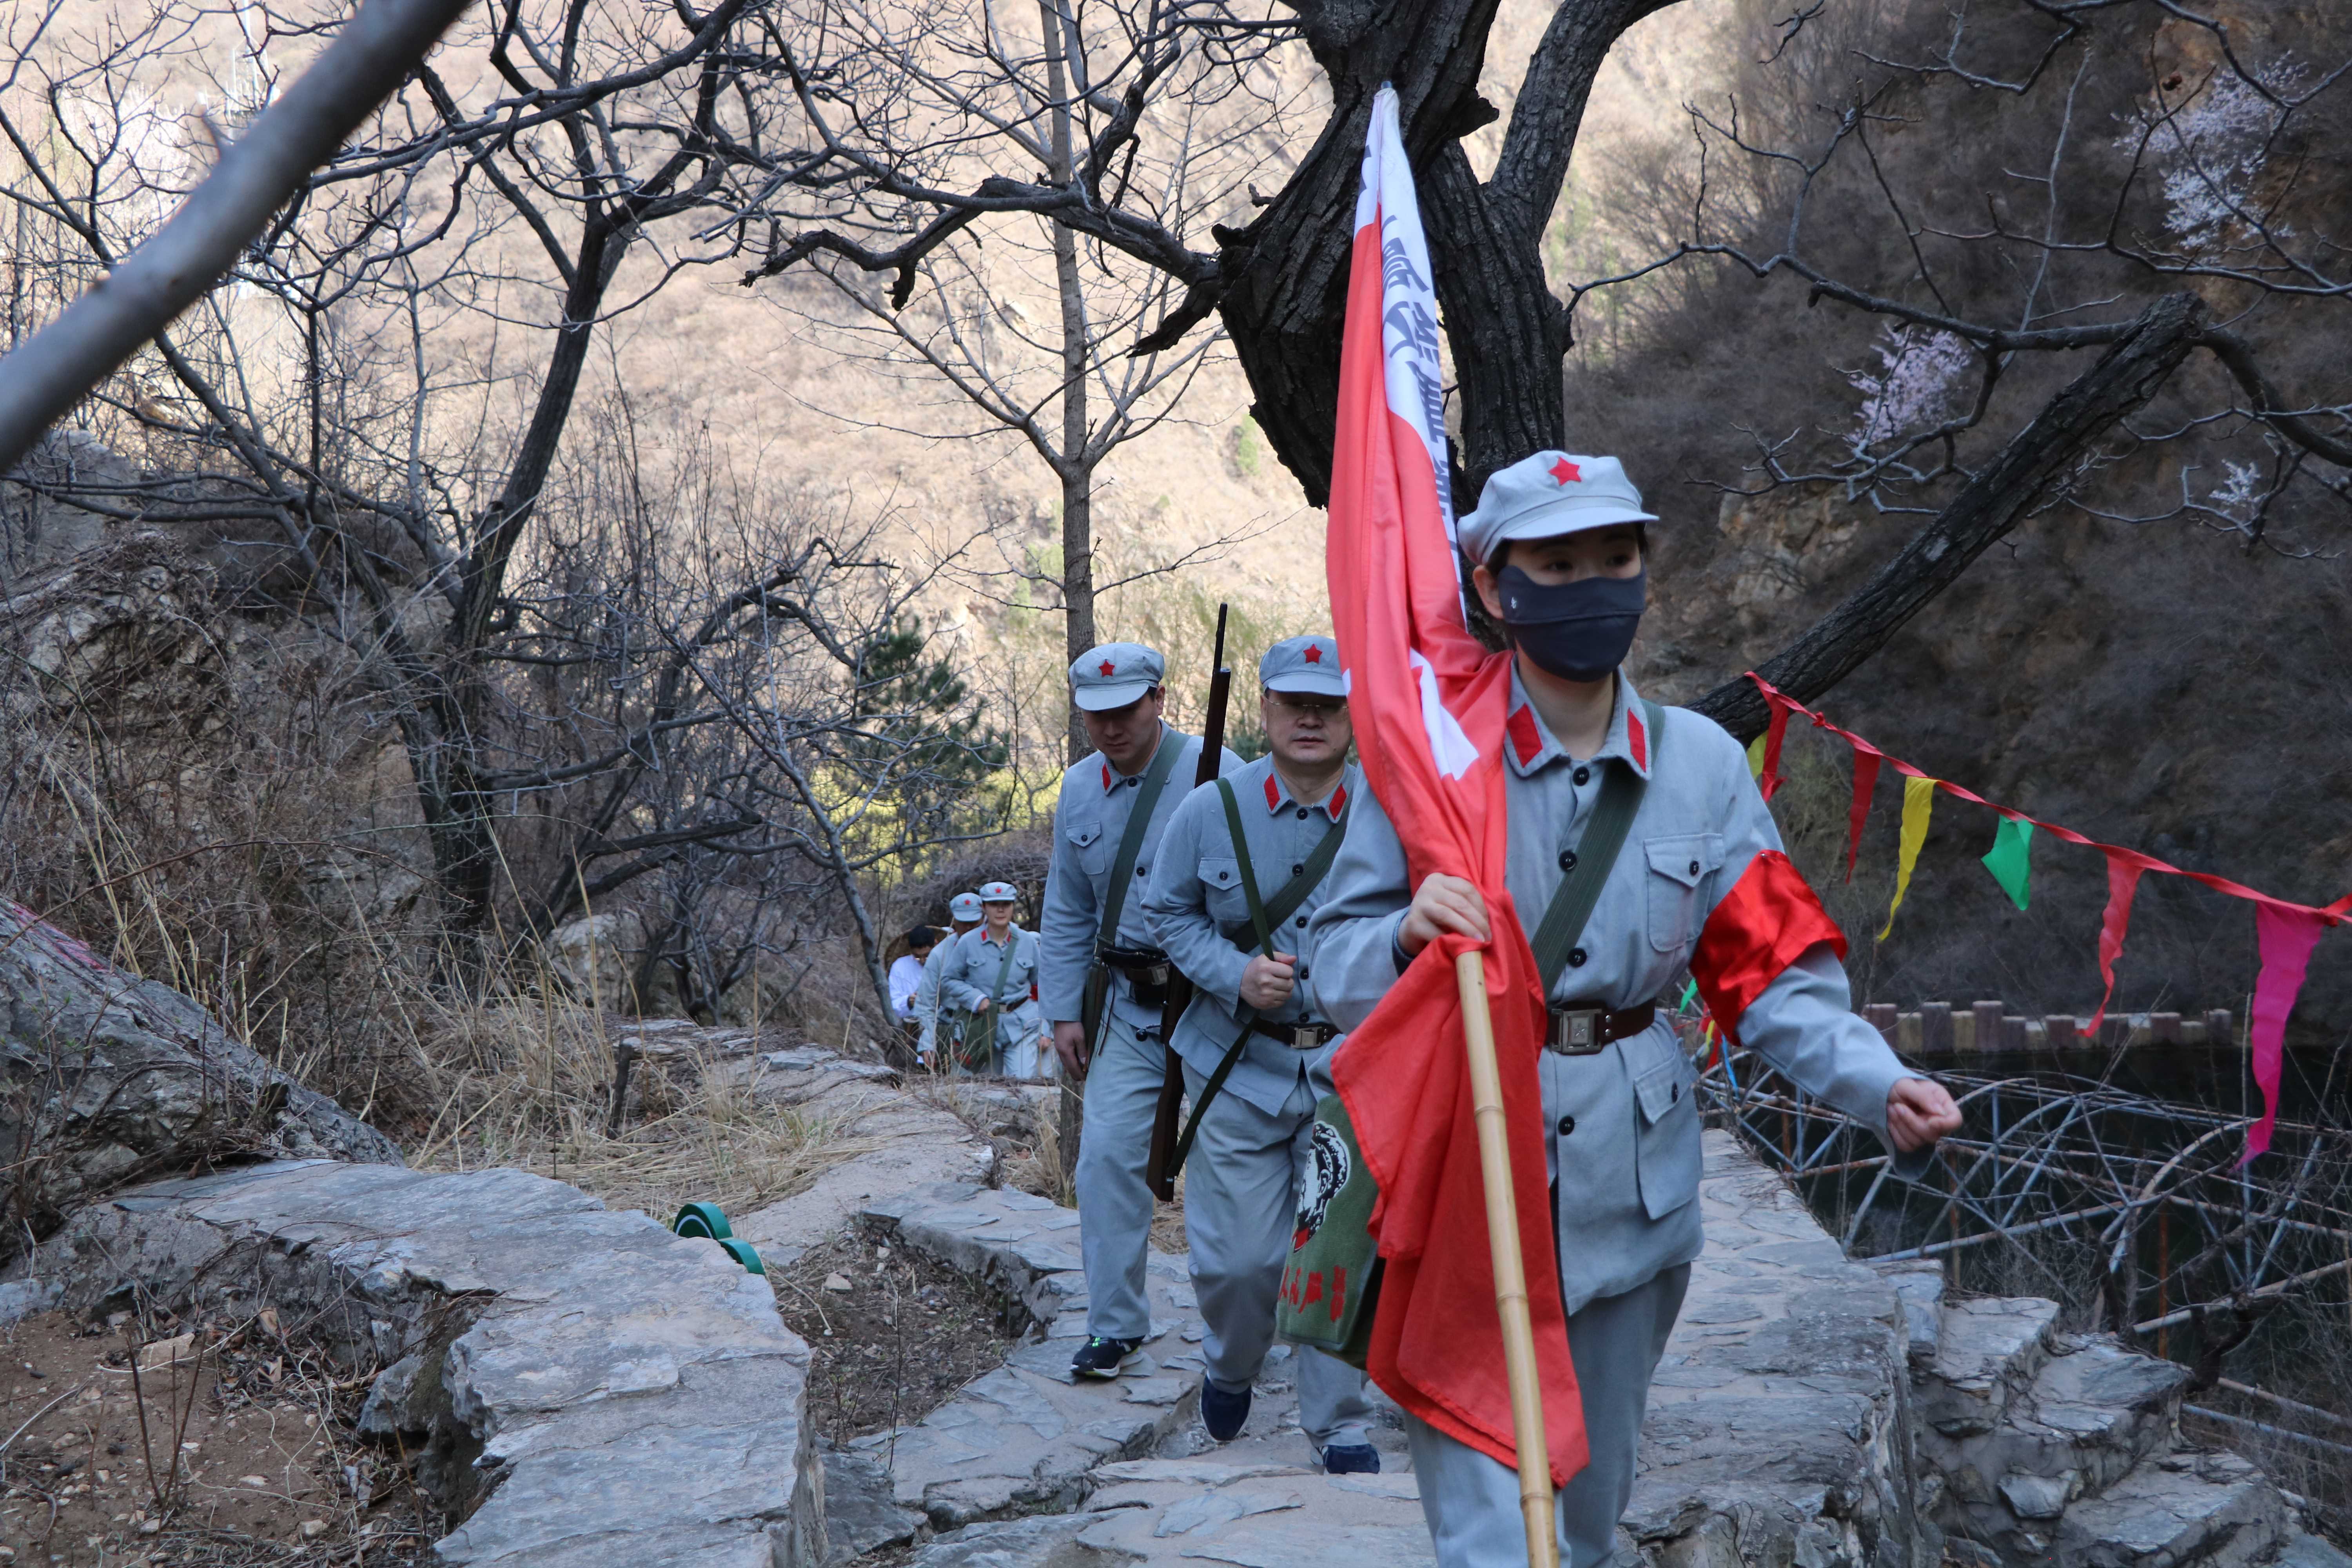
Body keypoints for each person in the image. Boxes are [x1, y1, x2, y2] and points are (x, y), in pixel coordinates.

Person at [1306, 450, 1964, 1568]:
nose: (1592, 585)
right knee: (1494, 1540)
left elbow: (1769, 973)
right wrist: (1406, 936)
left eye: (1615, 558)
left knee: (1585, 1520)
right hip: (1464, 1168)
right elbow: (1331, 960)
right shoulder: (1431, 758)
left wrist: (1876, 1080)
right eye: (1557, 565)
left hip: (1630, 1187)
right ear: (1498, 589)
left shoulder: (1701, 765)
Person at [1142, 633, 1378, 1473]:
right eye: (1294, 701)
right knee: (1243, 1264)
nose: (1311, 716)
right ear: (1267, 708)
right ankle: (1231, 1361)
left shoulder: (1391, 811)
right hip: (1235, 1064)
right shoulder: (1212, 809)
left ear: (1355, 713)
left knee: (1335, 1246)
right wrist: (1232, 972)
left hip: (1350, 1068)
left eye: (1330, 702)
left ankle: (1339, 1419)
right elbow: (1166, 914)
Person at [1040, 641, 1244, 1380]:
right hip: (1128, 1007)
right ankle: (1115, 1325)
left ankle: (1243, 1330)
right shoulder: (1078, 790)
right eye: (1095, 716)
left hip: (1217, 1006)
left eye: (1124, 711)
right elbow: (1066, 906)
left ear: (1159, 698)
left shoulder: (1224, 773)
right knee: (1103, 1165)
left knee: (1229, 1174)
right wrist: (1065, 1010)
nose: (1110, 728)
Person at [939, 882, 1044, 1076]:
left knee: (1022, 1083)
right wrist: (976, 999)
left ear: (1013, 906)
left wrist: (1048, 1030)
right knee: (985, 1087)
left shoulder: (1028, 942)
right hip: (982, 1027)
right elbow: (950, 980)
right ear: (984, 908)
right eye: (994, 904)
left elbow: (1045, 987)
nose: (1001, 909)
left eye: (1006, 903)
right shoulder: (968, 942)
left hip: (1022, 1024)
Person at [916, 893, 983, 1070]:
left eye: (974, 923)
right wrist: (927, 1043)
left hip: (992, 1024)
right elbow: (926, 1002)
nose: (969, 928)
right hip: (956, 1029)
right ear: (954, 921)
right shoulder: (940, 955)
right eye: (964, 923)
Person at [890, 927, 937, 1026]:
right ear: (911, 951)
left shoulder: (945, 961)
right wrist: (908, 1002)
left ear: (935, 946)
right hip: (913, 1025)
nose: (923, 960)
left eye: (927, 955)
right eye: (917, 957)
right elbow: (894, 1005)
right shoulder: (899, 967)